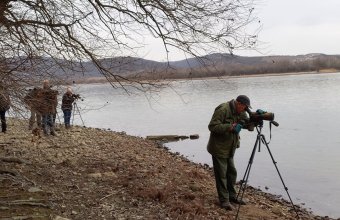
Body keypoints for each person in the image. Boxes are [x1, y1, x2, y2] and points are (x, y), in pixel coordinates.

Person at [207, 95, 253, 211]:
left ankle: (232, 196)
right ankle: (224, 201)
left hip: (230, 147)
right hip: (219, 148)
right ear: (238, 103)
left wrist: (254, 120)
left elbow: (246, 123)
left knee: (231, 173)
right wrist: (230, 127)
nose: (245, 110)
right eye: (244, 107)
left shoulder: (240, 111)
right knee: (222, 175)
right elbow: (212, 126)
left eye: (246, 108)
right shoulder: (223, 109)